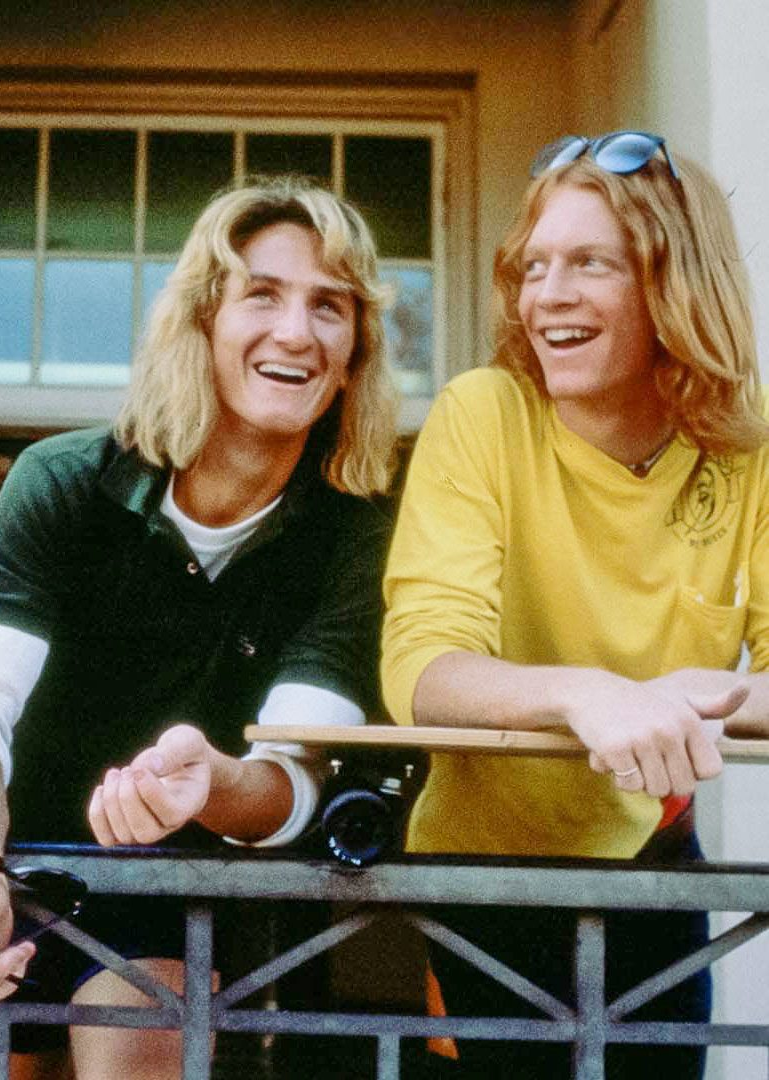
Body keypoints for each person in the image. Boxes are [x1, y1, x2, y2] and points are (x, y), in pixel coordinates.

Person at [0, 177, 400, 1079]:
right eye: (262, 294)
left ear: (354, 352)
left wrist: (209, 783)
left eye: (329, 307)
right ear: (203, 319)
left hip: (185, 889)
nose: (296, 332)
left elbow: (298, 773)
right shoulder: (63, 479)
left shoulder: (356, 532)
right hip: (10, 863)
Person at [381, 132, 769, 1077]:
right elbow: (420, 668)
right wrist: (590, 694)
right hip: (479, 873)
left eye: (590, 264)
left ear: (675, 284)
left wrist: (691, 698)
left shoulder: (749, 454)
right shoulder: (482, 414)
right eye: (534, 267)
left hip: (651, 863)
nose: (545, 295)